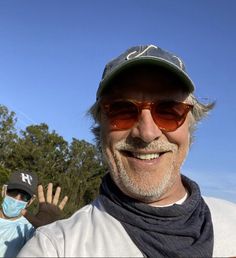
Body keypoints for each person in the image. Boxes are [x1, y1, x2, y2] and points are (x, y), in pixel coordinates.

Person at [18, 44, 236, 257]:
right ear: (100, 126)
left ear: (190, 126)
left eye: (169, 110)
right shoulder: (56, 247)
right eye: (122, 110)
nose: (147, 133)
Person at [0, 170, 68, 257]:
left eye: (24, 196)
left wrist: (48, 232)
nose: (17, 199)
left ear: (30, 201)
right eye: (13, 192)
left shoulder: (29, 230)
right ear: (4, 191)